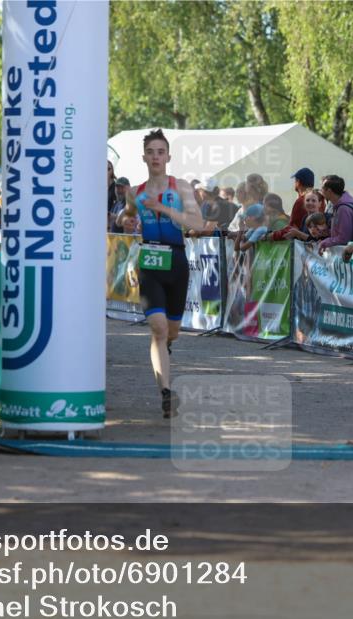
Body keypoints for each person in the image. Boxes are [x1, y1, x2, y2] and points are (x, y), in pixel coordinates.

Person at [131, 129, 205, 418]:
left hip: (176, 260)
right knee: (158, 329)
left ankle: (166, 347)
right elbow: (127, 213)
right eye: (151, 152)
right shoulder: (135, 192)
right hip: (149, 261)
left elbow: (196, 221)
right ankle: (165, 392)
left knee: (171, 331)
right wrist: (128, 218)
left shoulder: (181, 187)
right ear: (144, 157)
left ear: (168, 156)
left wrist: (162, 207)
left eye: (161, 152)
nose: (156, 157)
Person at [318, 176, 353, 250]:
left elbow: (344, 238)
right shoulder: (338, 206)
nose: (321, 191)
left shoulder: (343, 209)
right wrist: (328, 232)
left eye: (322, 188)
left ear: (329, 191)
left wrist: (326, 242)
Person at [287, 167, 315, 237]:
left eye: (295, 181)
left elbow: (292, 227)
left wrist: (272, 235)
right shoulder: (319, 199)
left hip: (301, 243)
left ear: (298, 182)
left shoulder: (300, 201)